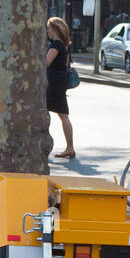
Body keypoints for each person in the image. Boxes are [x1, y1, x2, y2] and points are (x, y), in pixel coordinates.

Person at [47, 17, 75, 159]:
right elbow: (66, 64)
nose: (47, 32)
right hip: (61, 80)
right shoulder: (65, 45)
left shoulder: (56, 44)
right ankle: (70, 147)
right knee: (63, 115)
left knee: (51, 112)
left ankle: (69, 147)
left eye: (49, 29)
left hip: (53, 82)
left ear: (55, 30)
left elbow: (46, 62)